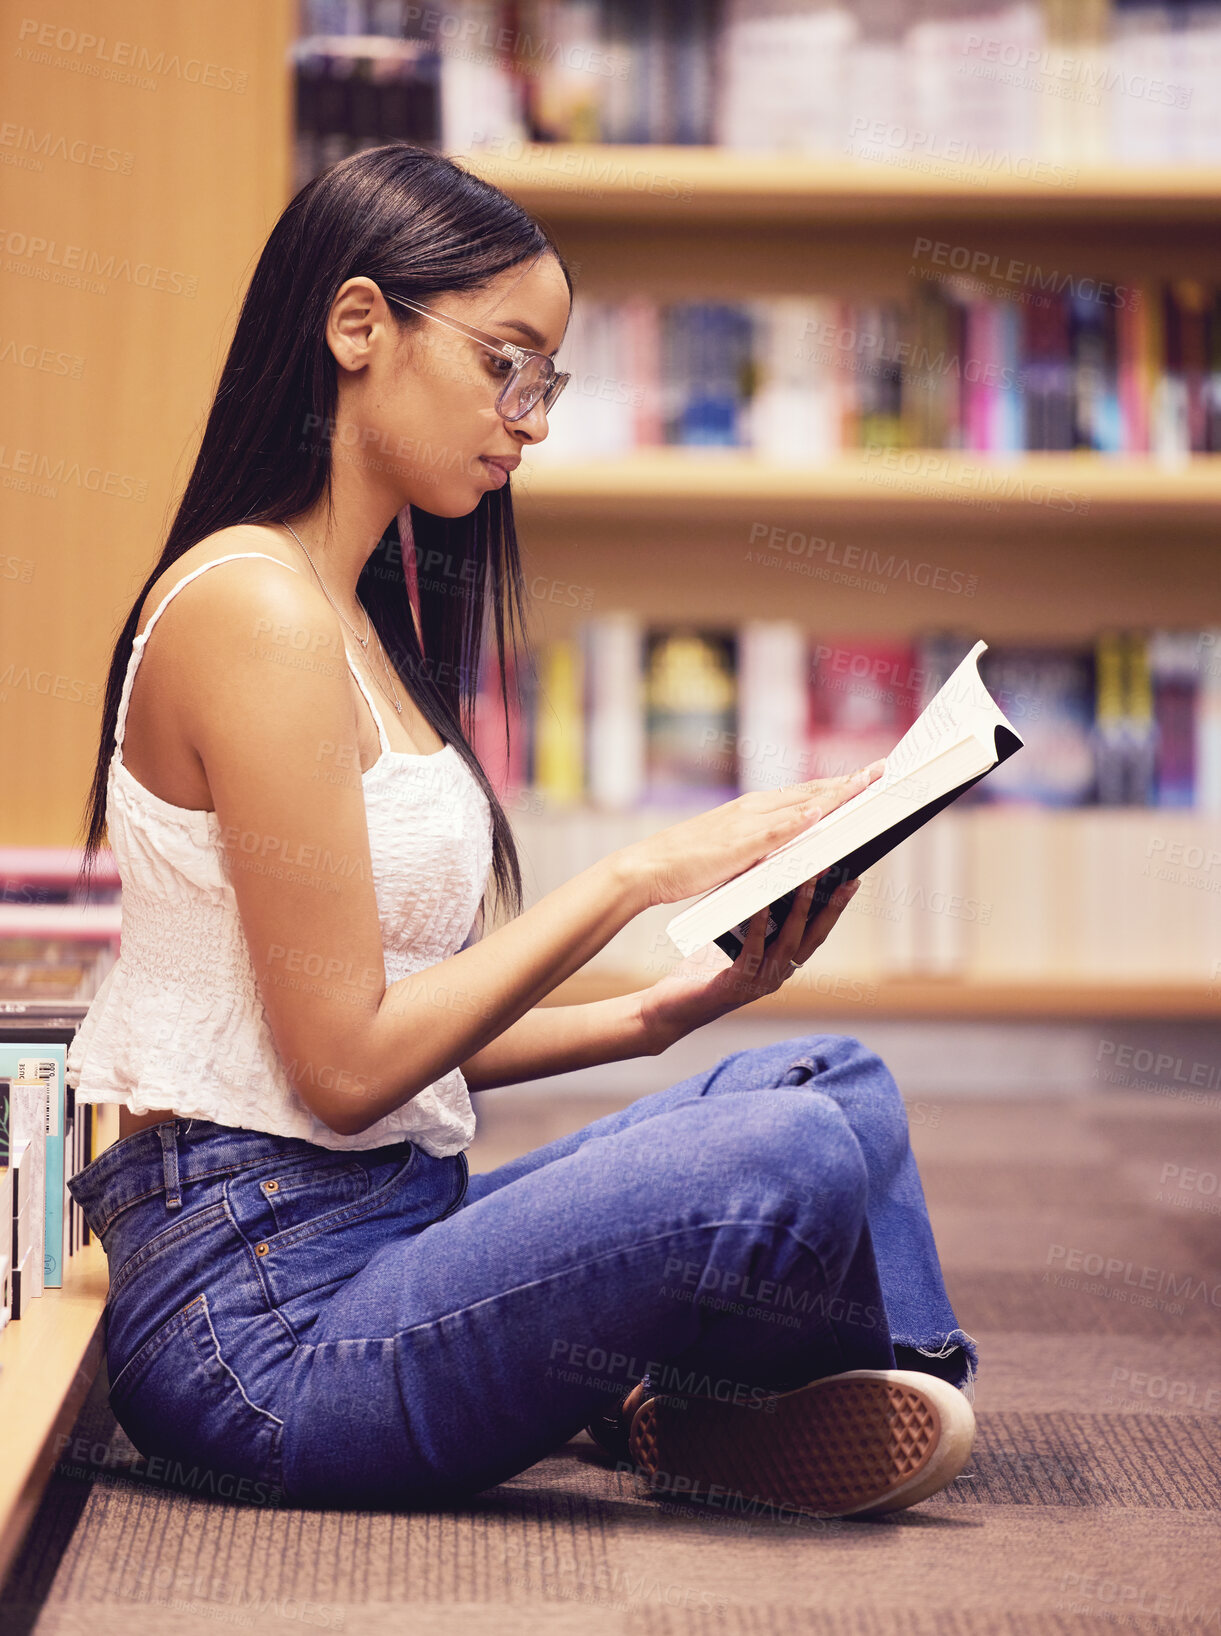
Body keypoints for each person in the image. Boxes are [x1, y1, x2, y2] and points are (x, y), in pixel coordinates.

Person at [67, 142, 977, 1520]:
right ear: (359, 325)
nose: (529, 416)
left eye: (542, 378)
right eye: (506, 363)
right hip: (260, 1338)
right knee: (781, 1161)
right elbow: (346, 1071)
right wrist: (628, 881)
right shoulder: (249, 610)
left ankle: (838, 1404)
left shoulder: (351, 611)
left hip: (386, 1226)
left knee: (829, 1086)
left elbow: (391, 1030)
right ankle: (770, 1409)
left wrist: (663, 1014)